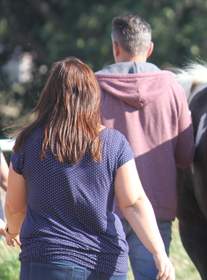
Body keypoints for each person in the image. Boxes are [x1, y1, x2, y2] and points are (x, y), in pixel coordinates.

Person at [3, 57, 174, 280]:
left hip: (47, 261)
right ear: (92, 96)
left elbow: (15, 208)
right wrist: (159, 252)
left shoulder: (28, 142)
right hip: (104, 263)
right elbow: (133, 202)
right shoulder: (114, 143)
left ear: (49, 96)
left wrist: (12, 231)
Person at [96, 14, 194, 280]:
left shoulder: (92, 88)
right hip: (156, 207)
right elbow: (186, 154)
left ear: (116, 47)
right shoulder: (172, 87)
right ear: (150, 49)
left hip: (104, 208)